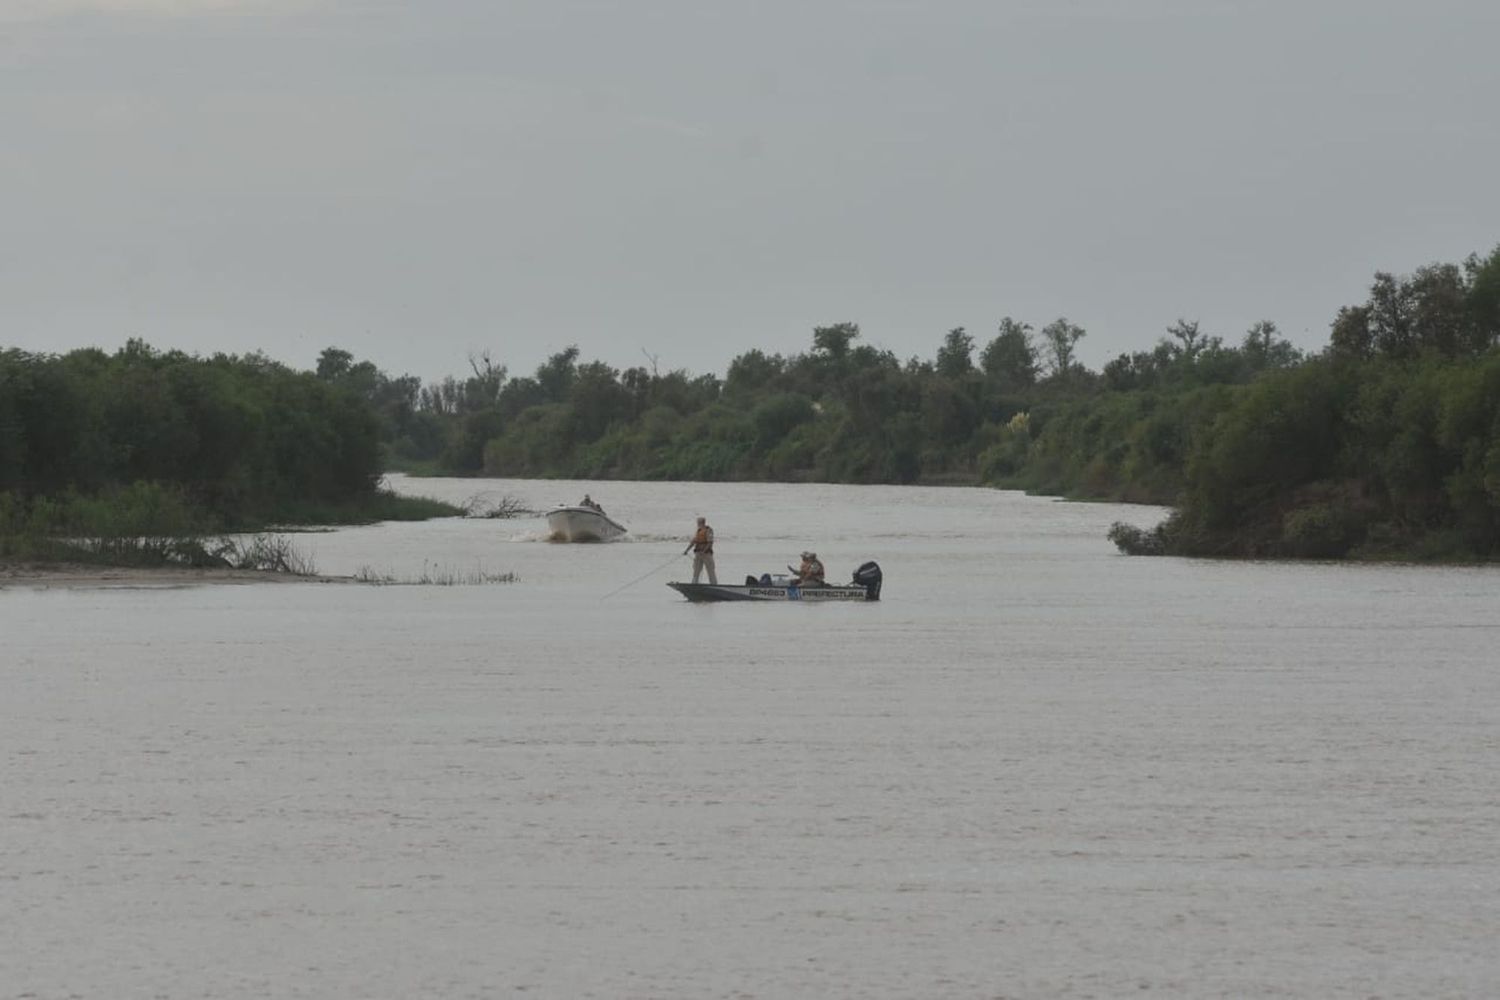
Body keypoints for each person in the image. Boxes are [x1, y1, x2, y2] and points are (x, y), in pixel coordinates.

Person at [683, 515, 716, 584]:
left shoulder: (708, 530)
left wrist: (704, 551)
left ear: (702, 522)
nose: (697, 524)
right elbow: (694, 541)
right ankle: (694, 583)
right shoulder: (699, 531)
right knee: (696, 570)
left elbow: (710, 543)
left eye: (698, 522)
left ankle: (713, 584)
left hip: (706, 554)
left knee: (710, 570)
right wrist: (686, 550)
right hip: (698, 554)